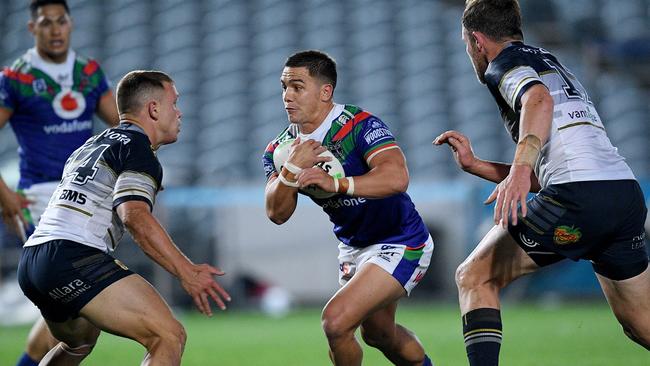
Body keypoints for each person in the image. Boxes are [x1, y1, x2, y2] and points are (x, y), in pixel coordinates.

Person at [433, 0, 650, 364]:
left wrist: (519, 169)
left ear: (476, 41)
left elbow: (538, 99)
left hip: (578, 195)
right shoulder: (550, 61)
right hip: (622, 193)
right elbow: (556, 166)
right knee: (641, 324)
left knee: (474, 276)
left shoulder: (503, 64)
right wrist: (478, 165)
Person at [17, 70, 231, 366]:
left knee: (78, 342)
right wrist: (187, 271)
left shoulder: (90, 145)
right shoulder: (138, 149)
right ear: (154, 109)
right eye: (174, 103)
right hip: (73, 256)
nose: (179, 113)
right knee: (168, 336)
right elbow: (134, 217)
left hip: (33, 261)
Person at [263, 50, 435, 366]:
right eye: (284, 87)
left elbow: (397, 177)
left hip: (401, 239)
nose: (287, 96)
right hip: (353, 247)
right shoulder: (279, 150)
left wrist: (340, 185)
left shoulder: (358, 125)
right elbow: (276, 213)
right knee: (379, 335)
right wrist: (290, 170)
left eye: (297, 86)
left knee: (335, 321)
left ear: (325, 91)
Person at [0, 1, 120, 365]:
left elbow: (122, 126)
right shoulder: (16, 78)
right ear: (31, 29)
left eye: (61, 22)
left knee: (69, 319)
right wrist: (4, 195)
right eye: (46, 23)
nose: (55, 30)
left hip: (86, 194)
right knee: (77, 313)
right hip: (39, 198)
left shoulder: (88, 72)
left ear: (71, 25)